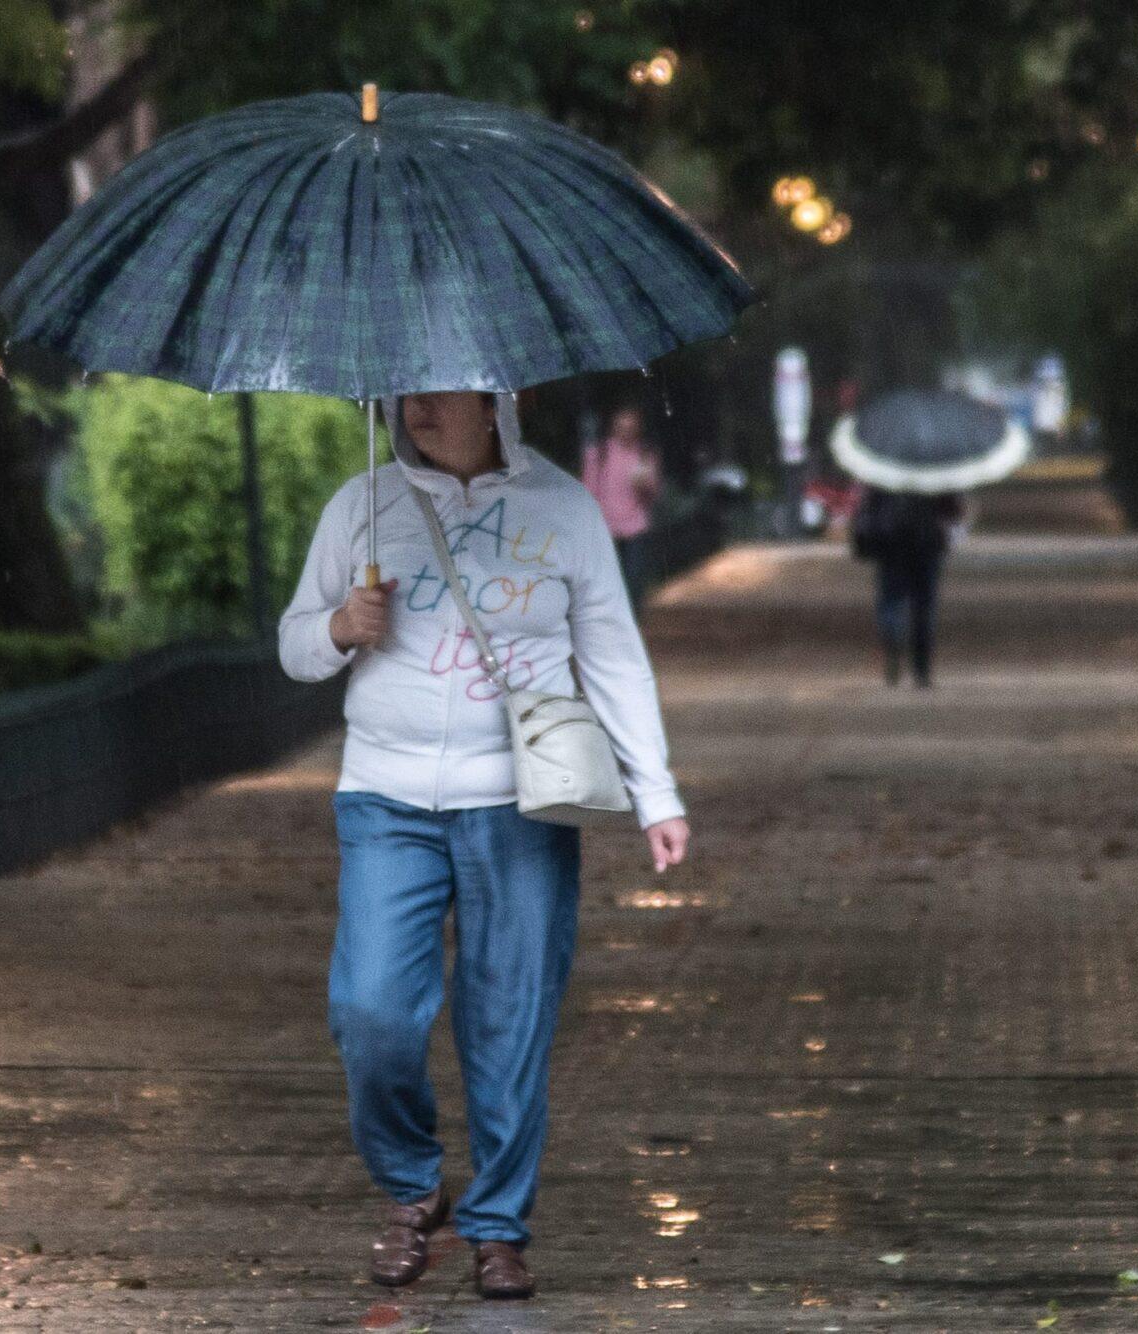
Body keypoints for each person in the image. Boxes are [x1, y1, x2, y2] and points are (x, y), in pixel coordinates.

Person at [278, 391, 691, 1301]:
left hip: (521, 801)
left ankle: (498, 1227)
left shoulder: (565, 510)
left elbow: (613, 655)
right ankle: (412, 1186)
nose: (417, 405)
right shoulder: (362, 505)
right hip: (386, 798)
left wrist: (654, 790)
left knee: (510, 1018)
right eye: (405, 388)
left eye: (442, 384)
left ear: (496, 396)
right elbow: (294, 646)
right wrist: (344, 628)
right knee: (372, 1008)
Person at [851, 487, 965, 688]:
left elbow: (867, 503)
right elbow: (953, 509)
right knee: (923, 607)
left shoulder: (882, 467)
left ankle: (893, 640)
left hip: (891, 541)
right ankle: (921, 669)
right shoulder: (935, 469)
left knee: (891, 600)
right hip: (927, 543)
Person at [579, 406, 661, 573]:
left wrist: (644, 484)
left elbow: (653, 494)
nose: (626, 432)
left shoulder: (644, 454)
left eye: (631, 428)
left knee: (634, 580)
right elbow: (587, 492)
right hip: (606, 528)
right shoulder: (598, 453)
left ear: (637, 428)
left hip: (635, 527)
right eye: (622, 427)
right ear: (614, 426)